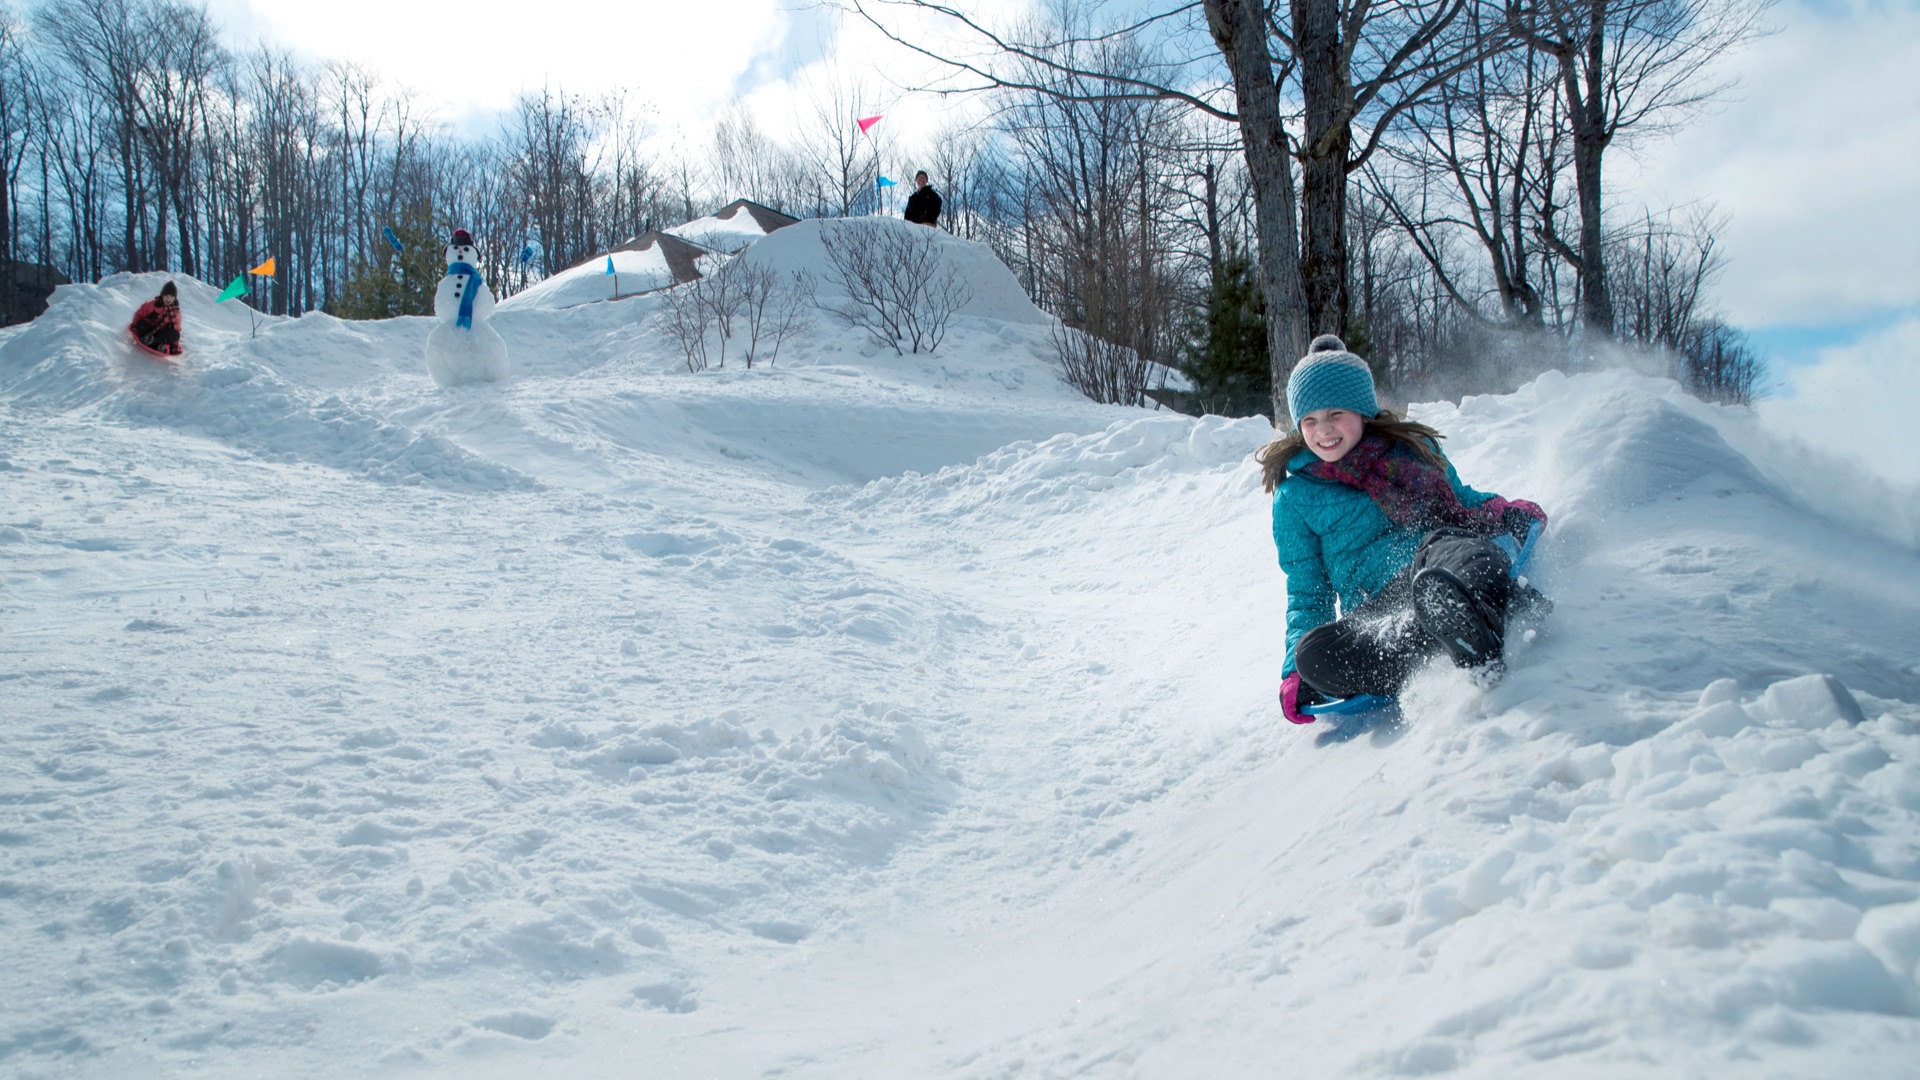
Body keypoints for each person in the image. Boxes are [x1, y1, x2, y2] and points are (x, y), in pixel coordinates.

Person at [1258, 335, 1548, 724]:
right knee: (1313, 655)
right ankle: (1444, 626)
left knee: (1460, 554)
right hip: (1379, 610)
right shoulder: (1294, 497)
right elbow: (1308, 593)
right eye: (1309, 420)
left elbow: (1462, 501)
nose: (1323, 430)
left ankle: (1468, 613)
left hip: (1438, 563)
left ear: (1362, 410)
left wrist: (1505, 511)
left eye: (1335, 414)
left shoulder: (1409, 451)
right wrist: (1293, 671)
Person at [129, 280, 183, 356]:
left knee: (175, 334)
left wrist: (174, 346)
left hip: (161, 335)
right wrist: (134, 326)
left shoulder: (175, 312)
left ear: (174, 299)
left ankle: (152, 342)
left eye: (171, 297)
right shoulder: (152, 305)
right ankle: (156, 345)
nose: (168, 299)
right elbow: (139, 314)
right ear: (162, 296)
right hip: (149, 329)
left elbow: (176, 328)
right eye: (166, 296)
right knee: (141, 323)